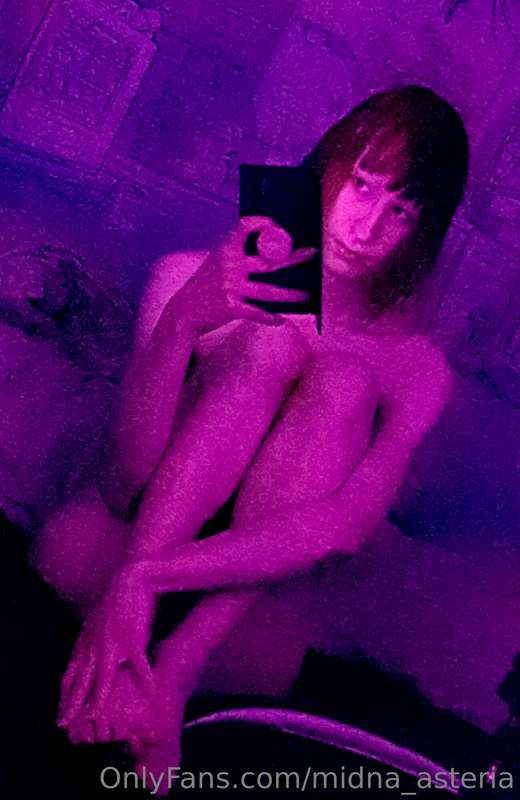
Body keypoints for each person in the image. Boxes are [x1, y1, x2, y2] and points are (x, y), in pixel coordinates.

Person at [34, 85, 469, 786]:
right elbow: (125, 478)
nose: (365, 227)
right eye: (362, 185)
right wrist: (184, 320)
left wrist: (147, 583)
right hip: (111, 552)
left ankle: (171, 671)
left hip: (234, 620)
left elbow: (345, 529)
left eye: (400, 212)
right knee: (268, 341)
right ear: (329, 164)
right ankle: (130, 646)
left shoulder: (417, 368)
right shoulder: (186, 274)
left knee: (345, 382)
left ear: (424, 234)